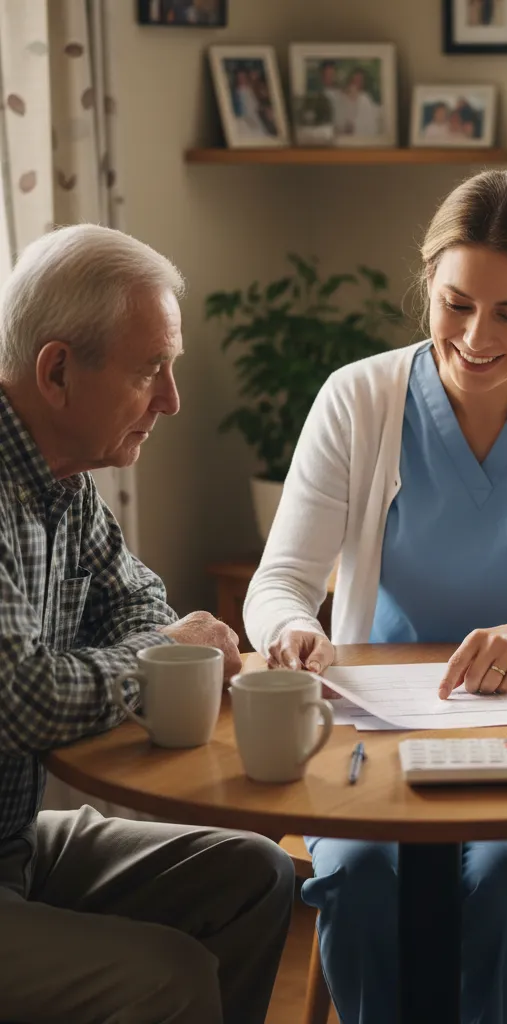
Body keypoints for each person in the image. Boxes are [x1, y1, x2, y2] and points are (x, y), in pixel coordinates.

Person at [244, 169, 507, 1024]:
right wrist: (290, 628)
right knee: (362, 879)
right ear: (428, 285)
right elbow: (280, 582)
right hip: (370, 744)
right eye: (456, 304)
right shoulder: (358, 399)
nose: (477, 337)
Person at [0, 224, 295, 1023]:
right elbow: (23, 697)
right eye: (148, 371)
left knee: (255, 875)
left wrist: (157, 644)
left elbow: (141, 602)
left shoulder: (64, 480)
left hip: (15, 839)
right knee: (171, 976)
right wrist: (165, 651)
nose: (171, 399)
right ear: (57, 372)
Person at [331, 65, 383, 137]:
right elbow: (338, 119)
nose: (356, 82)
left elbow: (369, 123)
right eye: (355, 79)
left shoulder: (365, 98)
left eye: (360, 80)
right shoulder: (342, 97)